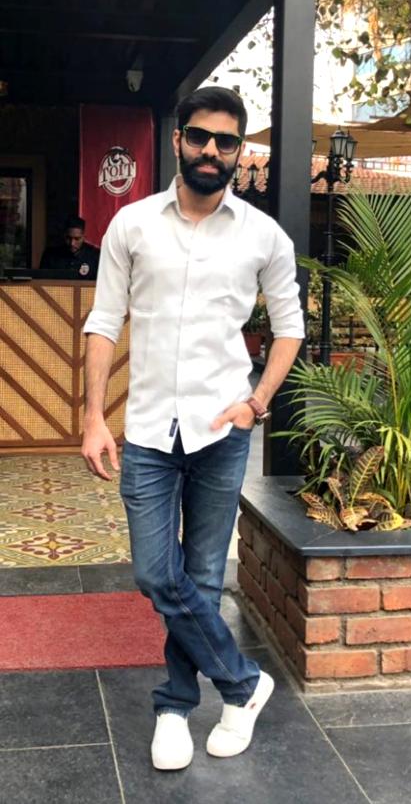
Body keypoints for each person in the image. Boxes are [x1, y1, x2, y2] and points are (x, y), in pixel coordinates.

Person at [81, 86, 304, 771]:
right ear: (177, 140)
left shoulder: (264, 236)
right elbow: (103, 321)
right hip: (149, 429)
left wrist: (256, 403)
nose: (212, 150)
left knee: (203, 576)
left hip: (222, 429)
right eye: (201, 136)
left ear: (239, 152)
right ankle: (243, 683)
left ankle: (176, 707)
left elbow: (290, 328)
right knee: (156, 572)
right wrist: (92, 416)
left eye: (226, 141)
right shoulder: (132, 225)